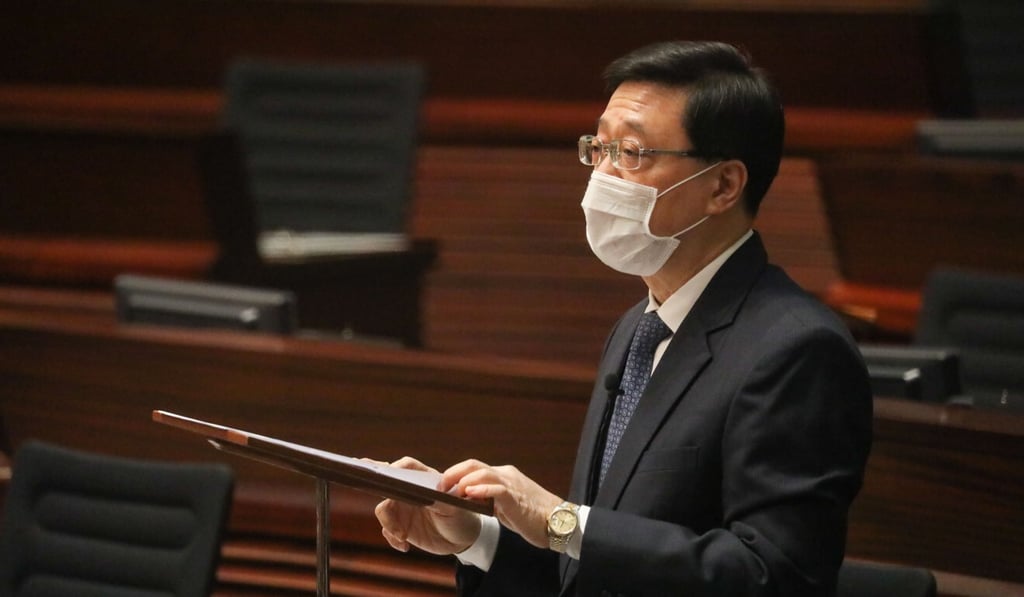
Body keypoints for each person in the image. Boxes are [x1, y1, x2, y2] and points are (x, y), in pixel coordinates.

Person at [375, 40, 873, 596]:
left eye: (631, 153)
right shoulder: (638, 329)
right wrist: (475, 537)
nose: (603, 176)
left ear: (724, 185)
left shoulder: (797, 350)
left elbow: (775, 577)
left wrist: (562, 521)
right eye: (599, 148)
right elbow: (597, 571)